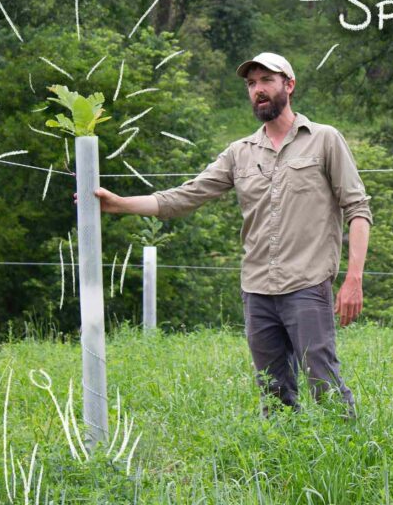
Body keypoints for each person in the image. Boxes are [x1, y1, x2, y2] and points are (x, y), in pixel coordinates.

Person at [91, 52, 371, 417]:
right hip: (257, 291)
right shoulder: (239, 153)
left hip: (307, 285)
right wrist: (118, 204)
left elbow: (358, 209)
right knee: (273, 392)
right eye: (251, 84)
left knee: (324, 383)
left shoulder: (324, 140)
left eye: (266, 80)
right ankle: (283, 466)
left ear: (289, 85)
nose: (257, 90)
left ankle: (348, 459)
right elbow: (185, 197)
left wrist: (354, 279)